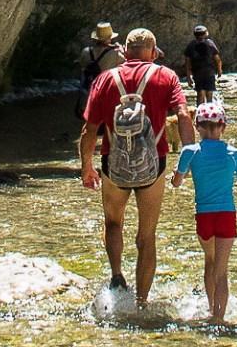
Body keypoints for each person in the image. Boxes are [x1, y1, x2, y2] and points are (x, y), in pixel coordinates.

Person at [80, 28, 195, 306]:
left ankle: (117, 275)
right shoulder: (166, 76)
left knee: (113, 222)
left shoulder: (105, 79)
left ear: (124, 52)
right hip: (153, 167)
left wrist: (87, 167)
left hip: (113, 165)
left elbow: (89, 129)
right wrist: (189, 158)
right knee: (147, 234)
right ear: (154, 52)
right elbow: (182, 114)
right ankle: (142, 302)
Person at [171, 101, 237, 324]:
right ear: (223, 127)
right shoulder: (234, 153)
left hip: (204, 216)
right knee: (221, 271)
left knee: (210, 260)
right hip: (226, 215)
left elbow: (177, 182)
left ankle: (209, 309)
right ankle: (219, 317)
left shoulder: (190, 152)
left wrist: (174, 178)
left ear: (198, 128)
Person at [76, 22, 125, 118]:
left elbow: (82, 65)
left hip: (91, 88)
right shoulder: (115, 54)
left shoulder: (86, 51)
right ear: (110, 38)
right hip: (107, 90)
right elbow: (126, 61)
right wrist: (120, 49)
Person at [183, 25, 222, 105]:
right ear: (205, 34)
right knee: (209, 92)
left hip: (197, 72)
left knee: (200, 92)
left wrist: (188, 78)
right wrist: (219, 70)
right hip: (209, 72)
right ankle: (210, 112)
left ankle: (200, 112)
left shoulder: (191, 45)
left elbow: (187, 63)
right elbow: (218, 59)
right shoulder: (210, 43)